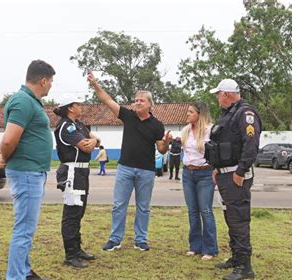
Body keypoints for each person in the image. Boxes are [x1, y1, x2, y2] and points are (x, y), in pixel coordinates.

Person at [0, 60, 55, 280]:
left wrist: (3, 156)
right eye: (51, 81)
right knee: (24, 229)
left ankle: (25, 271)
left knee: (27, 228)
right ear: (43, 80)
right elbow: (9, 139)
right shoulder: (22, 101)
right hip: (26, 173)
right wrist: (4, 155)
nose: (51, 86)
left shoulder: (29, 101)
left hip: (32, 172)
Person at [87, 71, 172, 251]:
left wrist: (166, 143)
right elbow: (107, 100)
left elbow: (161, 149)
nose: (137, 102)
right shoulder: (128, 116)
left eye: (141, 100)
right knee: (119, 205)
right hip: (125, 168)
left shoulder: (157, 125)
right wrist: (95, 84)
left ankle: (140, 239)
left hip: (146, 171)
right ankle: (115, 239)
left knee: (143, 207)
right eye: (136, 100)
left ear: (150, 104)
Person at [205, 79, 262, 280]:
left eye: (218, 94)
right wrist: (217, 169)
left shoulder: (245, 114)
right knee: (230, 216)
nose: (217, 98)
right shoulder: (229, 114)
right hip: (224, 173)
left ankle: (244, 266)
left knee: (238, 218)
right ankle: (236, 257)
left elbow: (251, 144)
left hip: (236, 174)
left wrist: (241, 170)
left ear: (226, 94)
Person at [53, 95, 100, 269]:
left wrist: (93, 140)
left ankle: (77, 248)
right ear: (70, 107)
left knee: (79, 211)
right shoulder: (66, 126)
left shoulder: (78, 124)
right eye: (78, 104)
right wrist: (93, 141)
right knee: (71, 213)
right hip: (72, 171)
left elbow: (95, 140)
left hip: (82, 171)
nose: (81, 107)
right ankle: (70, 254)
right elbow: (87, 146)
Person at [181, 102, 218, 260]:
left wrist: (216, 170)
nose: (187, 114)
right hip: (188, 173)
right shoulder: (186, 130)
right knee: (192, 211)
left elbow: (217, 151)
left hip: (205, 173)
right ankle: (194, 246)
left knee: (206, 211)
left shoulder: (211, 130)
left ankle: (210, 248)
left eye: (190, 112)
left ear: (199, 114)